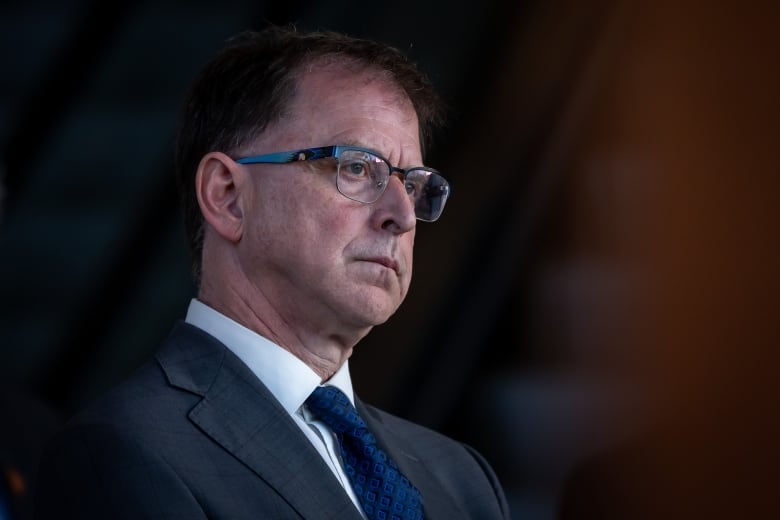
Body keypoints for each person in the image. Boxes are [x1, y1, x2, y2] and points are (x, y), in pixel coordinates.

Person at [34, 26, 510, 519]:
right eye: (357, 167)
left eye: (412, 184)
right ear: (228, 196)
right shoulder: (122, 452)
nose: (403, 215)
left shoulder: (463, 479)